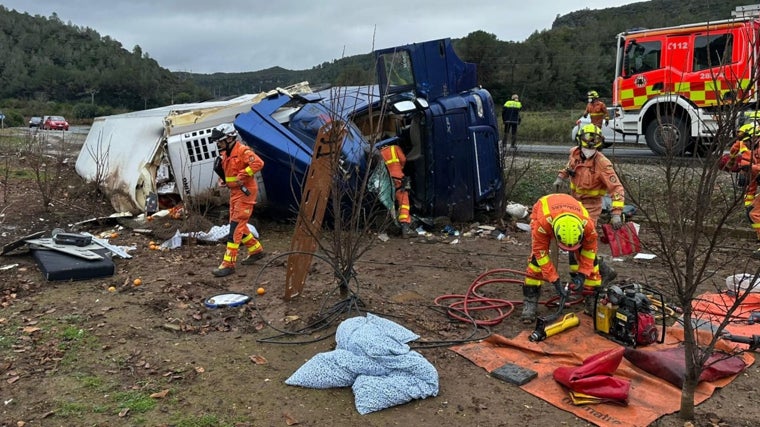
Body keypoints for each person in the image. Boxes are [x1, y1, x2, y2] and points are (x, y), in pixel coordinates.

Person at [521, 193, 604, 323]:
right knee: (536, 263)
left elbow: (590, 252)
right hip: (543, 206)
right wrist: (555, 280)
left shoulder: (588, 226)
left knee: (592, 263)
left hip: (571, 207)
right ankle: (530, 301)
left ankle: (590, 298)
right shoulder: (543, 224)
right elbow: (541, 253)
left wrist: (582, 275)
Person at [209, 123, 266, 277]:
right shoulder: (226, 153)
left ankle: (229, 264)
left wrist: (243, 174)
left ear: (229, 138)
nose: (218, 144)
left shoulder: (242, 151)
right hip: (235, 192)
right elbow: (229, 173)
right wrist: (224, 181)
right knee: (238, 224)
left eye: (220, 141)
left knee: (235, 227)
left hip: (245, 193)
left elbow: (258, 163)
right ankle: (256, 250)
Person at [553, 123, 625, 228]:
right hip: (574, 202)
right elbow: (570, 167)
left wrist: (616, 213)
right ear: (580, 139)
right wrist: (561, 176)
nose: (590, 143)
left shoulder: (602, 164)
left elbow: (617, 188)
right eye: (587, 137)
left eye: (595, 139)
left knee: (587, 233)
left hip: (591, 207)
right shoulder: (575, 154)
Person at [722, 124, 760, 257]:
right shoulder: (748, 145)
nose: (743, 144)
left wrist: (750, 168)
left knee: (754, 214)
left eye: (746, 141)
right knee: (752, 212)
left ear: (754, 137)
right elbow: (733, 151)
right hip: (753, 176)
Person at [380, 142, 414, 238]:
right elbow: (403, 159)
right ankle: (405, 227)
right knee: (404, 201)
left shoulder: (380, 152)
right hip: (398, 178)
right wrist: (400, 168)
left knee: (390, 202)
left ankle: (389, 226)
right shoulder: (395, 148)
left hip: (387, 180)